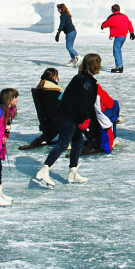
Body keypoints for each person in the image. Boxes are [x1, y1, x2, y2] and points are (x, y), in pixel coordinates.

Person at [33, 54, 100, 187]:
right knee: (63, 144)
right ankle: (45, 169)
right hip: (71, 117)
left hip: (66, 114)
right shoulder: (90, 84)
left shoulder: (77, 78)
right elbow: (85, 105)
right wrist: (85, 119)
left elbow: (66, 97)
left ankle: (73, 172)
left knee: (78, 143)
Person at [20, 68, 61, 150]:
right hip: (55, 118)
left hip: (47, 117)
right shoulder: (54, 89)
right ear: (53, 77)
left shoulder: (40, 88)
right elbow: (63, 102)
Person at [101, 4, 135, 73]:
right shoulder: (124, 16)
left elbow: (107, 23)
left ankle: (119, 67)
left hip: (118, 36)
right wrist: (132, 33)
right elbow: (129, 24)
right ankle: (119, 66)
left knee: (116, 50)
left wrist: (102, 26)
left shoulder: (112, 17)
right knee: (118, 50)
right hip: (124, 36)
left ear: (113, 10)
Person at [56, 3, 78, 67]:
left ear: (61, 9)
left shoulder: (63, 16)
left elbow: (62, 24)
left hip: (70, 33)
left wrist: (58, 32)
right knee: (70, 47)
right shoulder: (67, 15)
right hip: (73, 32)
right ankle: (73, 60)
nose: (58, 10)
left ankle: (78, 57)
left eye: (59, 9)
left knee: (68, 47)